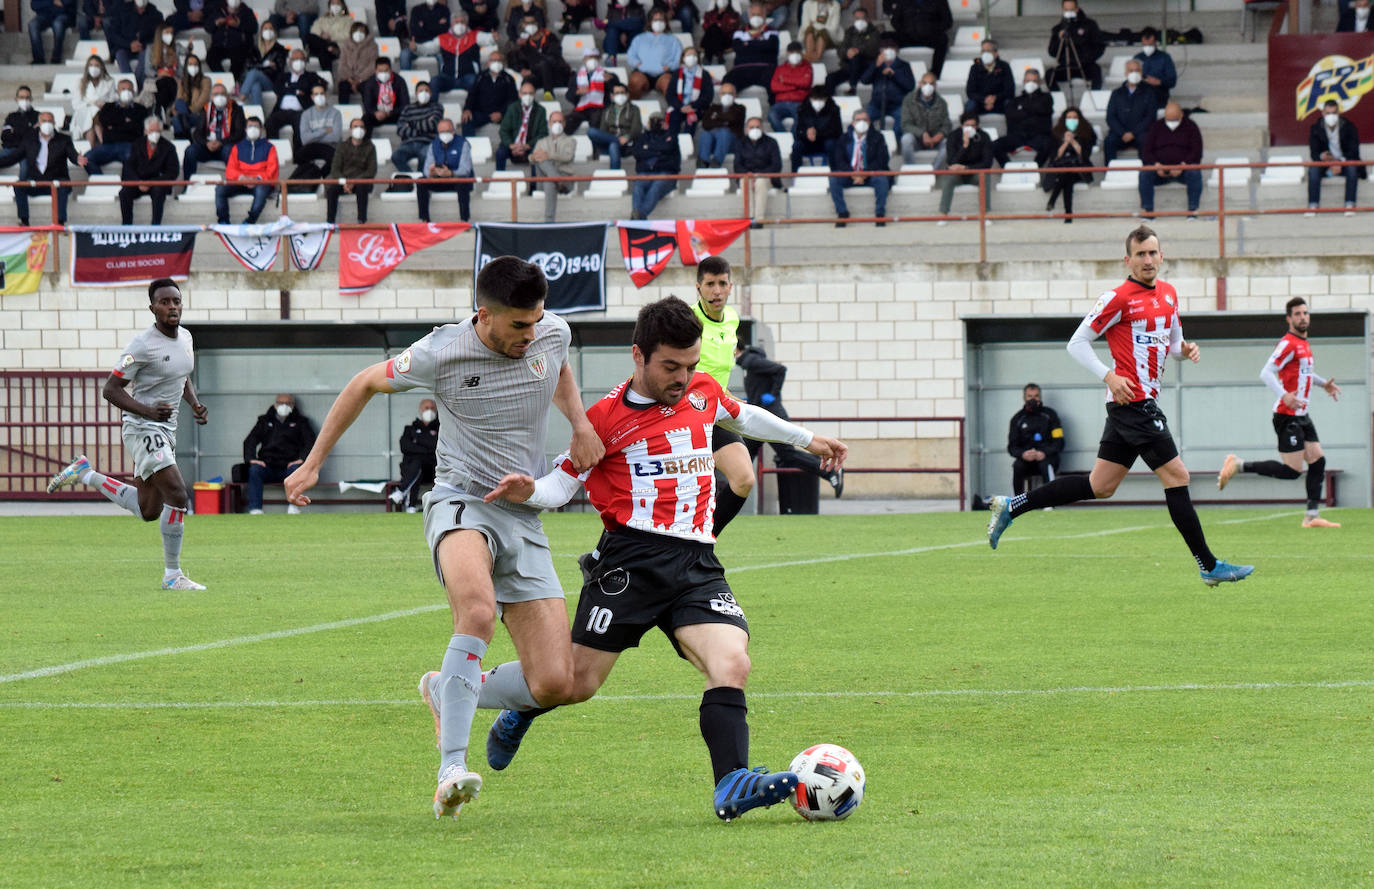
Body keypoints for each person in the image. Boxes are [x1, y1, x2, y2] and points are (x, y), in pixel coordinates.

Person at [474, 295, 848, 821]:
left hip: (695, 564)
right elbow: (561, 485)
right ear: (638, 356)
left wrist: (807, 441)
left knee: (732, 662)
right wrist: (528, 490)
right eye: (670, 366)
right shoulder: (604, 419)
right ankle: (499, 698)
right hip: (629, 564)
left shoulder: (701, 391)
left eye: (690, 364)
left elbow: (744, 417)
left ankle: (731, 783)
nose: (683, 376)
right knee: (571, 684)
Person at [284, 255, 604, 821]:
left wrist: (579, 422)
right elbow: (363, 383)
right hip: (460, 501)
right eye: (517, 327)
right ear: (483, 315)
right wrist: (312, 464)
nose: (530, 337)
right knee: (477, 612)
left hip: (523, 513)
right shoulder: (441, 350)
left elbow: (559, 369)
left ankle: (449, 687)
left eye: (536, 323)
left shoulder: (552, 332)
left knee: (556, 681)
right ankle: (451, 768)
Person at [985, 225, 1255, 587]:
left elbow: (1174, 344)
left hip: (1135, 406)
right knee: (1177, 476)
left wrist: (1185, 351)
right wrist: (1108, 375)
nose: (1148, 259)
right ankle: (1207, 564)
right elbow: (1077, 343)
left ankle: (1012, 505)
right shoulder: (1117, 298)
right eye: (1140, 254)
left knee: (1100, 485)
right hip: (1134, 405)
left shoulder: (1170, 295)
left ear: (1162, 256)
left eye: (1153, 252)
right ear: (1127, 260)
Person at [46, 279, 209, 591]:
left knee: (149, 510)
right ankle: (173, 575)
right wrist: (147, 412)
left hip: (166, 429)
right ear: (153, 309)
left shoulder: (186, 338)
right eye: (164, 302)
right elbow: (110, 389)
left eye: (176, 301)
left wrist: (195, 403)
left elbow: (181, 375)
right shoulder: (142, 345)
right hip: (142, 427)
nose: (172, 307)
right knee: (177, 494)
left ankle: (86, 473)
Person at [1217, 297, 1343, 528]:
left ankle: (1312, 517)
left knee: (1318, 462)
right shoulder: (1288, 343)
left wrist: (1323, 383)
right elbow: (1266, 372)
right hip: (1287, 415)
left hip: (1302, 415)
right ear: (1289, 318)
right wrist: (1284, 394)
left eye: (1305, 313)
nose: (1302, 317)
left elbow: (1305, 374)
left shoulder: (1304, 344)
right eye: (1297, 314)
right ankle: (1238, 464)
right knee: (1293, 471)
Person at [735, 340, 844, 496]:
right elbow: (761, 383)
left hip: (771, 414)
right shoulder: (748, 363)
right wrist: (753, 398)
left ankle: (830, 471)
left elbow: (780, 369)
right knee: (743, 453)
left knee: (786, 454)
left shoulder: (751, 361)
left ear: (736, 349)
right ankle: (726, 496)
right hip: (760, 416)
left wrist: (772, 395)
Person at [243, 394, 316, 514]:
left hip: (290, 466)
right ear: (275, 404)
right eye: (281, 403)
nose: (284, 406)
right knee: (255, 470)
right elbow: (250, 441)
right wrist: (251, 458)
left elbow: (310, 442)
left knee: (296, 470)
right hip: (268, 465)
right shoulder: (264, 420)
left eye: (288, 403)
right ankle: (255, 509)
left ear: (293, 405)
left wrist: (302, 459)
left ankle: (294, 506)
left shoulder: (301, 422)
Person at [14, 112, 88, 227]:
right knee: (18, 185)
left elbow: (72, 155)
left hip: (56, 182)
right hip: (36, 182)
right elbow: (15, 156)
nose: (47, 124)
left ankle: (59, 222)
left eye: (49, 121)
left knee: (63, 186)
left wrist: (78, 160)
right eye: (44, 121)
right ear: (38, 123)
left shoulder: (64, 139)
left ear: (54, 123)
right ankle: (24, 221)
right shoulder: (29, 139)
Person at [1137, 102, 1202, 220]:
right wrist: (1156, 165)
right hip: (1160, 171)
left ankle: (1192, 211)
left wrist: (1183, 165)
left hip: (1183, 170)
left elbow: (1197, 151)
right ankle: (1148, 211)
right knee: (1145, 173)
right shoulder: (1156, 126)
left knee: (1194, 172)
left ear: (1181, 115)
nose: (1171, 123)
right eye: (1168, 120)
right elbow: (1146, 151)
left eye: (1174, 119)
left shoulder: (1191, 127)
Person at [829, 109, 890, 227]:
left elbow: (881, 160)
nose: (862, 122)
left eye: (865, 120)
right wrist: (852, 174)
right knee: (834, 179)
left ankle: (880, 214)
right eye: (858, 120)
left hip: (870, 174)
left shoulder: (878, 137)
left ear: (870, 122)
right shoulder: (843, 138)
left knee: (882, 179)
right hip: (850, 174)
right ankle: (842, 213)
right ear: (852, 123)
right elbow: (839, 161)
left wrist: (864, 174)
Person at [215, 115, 278, 225]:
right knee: (220, 189)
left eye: (256, 127)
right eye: (250, 126)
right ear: (245, 129)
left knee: (261, 191)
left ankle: (250, 221)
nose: (253, 129)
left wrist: (257, 179)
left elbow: (272, 170)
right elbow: (230, 169)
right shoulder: (237, 147)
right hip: (240, 182)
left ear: (261, 130)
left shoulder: (270, 148)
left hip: (260, 183)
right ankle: (223, 221)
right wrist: (242, 178)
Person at [1305, 100, 1363, 217]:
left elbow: (1354, 151)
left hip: (1344, 161)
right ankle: (1313, 205)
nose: (1331, 116)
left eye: (1334, 113)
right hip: (1325, 164)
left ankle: (1350, 204)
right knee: (1313, 169)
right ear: (1322, 113)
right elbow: (1314, 153)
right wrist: (1323, 157)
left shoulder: (1348, 126)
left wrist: (1340, 162)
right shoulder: (1316, 128)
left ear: (1339, 113)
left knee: (1352, 167)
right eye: (1328, 113)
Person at [119, 116, 179, 224]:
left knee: (158, 191)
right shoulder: (136, 145)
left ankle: (155, 227)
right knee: (124, 192)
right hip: (139, 182)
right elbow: (128, 167)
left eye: (157, 131)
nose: (154, 133)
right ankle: (126, 227)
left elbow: (173, 171)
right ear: (146, 131)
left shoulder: (169, 147)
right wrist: (138, 182)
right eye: (151, 131)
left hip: (157, 183)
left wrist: (152, 182)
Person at [1006, 383, 1063, 495]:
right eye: (1029, 396)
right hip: (1027, 461)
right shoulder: (1017, 419)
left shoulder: (1051, 415)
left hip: (1048, 458)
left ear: (1040, 397)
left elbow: (1059, 443)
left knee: (1045, 464)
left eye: (1036, 396)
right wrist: (1023, 454)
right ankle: (1019, 503)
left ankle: (1050, 502)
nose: (1033, 399)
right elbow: (1012, 447)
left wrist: (1044, 452)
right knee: (1017, 466)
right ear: (1024, 398)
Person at [1041, 106, 1095, 221]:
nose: (1072, 120)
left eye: (1075, 117)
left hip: (1080, 168)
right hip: (1062, 168)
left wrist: (1073, 141)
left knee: (1067, 174)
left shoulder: (1086, 132)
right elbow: (1055, 156)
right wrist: (1065, 142)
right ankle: (1068, 214)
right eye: (1069, 117)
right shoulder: (1056, 133)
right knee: (1067, 176)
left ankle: (1053, 200)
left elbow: (1084, 155)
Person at [936, 111, 993, 220]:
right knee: (949, 177)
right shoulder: (953, 136)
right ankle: (943, 214)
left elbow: (987, 163)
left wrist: (967, 168)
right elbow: (952, 161)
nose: (970, 128)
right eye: (967, 126)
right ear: (962, 125)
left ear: (977, 126)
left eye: (973, 126)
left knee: (985, 177)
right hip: (958, 174)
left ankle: (985, 215)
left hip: (975, 173)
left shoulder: (984, 137)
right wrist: (964, 146)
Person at [85, 78, 148, 174]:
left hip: (130, 145)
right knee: (87, 158)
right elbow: (104, 121)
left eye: (129, 89)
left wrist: (114, 126)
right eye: (123, 89)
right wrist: (126, 123)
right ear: (117, 91)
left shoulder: (141, 109)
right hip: (108, 146)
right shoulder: (108, 107)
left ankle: (126, 187)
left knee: (133, 160)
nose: (126, 92)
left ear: (133, 91)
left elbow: (137, 128)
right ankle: (102, 184)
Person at [992, 69, 1052, 168]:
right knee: (994, 145)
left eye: (1034, 81)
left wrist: (1022, 109)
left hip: (1038, 136)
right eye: (1028, 81)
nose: (1031, 84)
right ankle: (1008, 168)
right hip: (1018, 136)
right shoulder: (1015, 100)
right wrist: (1032, 110)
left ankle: (1035, 168)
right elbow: (1010, 115)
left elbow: (1042, 108)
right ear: (1024, 82)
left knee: (1050, 144)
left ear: (1039, 82)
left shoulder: (1046, 98)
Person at [417, 118, 474, 222]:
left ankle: (464, 220)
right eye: (441, 132)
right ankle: (424, 219)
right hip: (439, 180)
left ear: (453, 131)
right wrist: (431, 173)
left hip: (457, 180)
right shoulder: (433, 145)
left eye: (447, 131)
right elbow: (426, 169)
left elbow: (465, 169)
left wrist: (451, 173)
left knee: (463, 183)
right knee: (421, 181)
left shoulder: (463, 144)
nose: (444, 134)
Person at [183, 84, 245, 177]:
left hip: (226, 145)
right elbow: (198, 132)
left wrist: (220, 142)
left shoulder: (236, 109)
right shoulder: (206, 109)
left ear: (228, 96)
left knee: (229, 151)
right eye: (216, 94)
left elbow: (239, 133)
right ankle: (188, 184)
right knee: (190, 151)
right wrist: (207, 143)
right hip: (207, 147)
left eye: (222, 94)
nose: (219, 97)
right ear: (211, 97)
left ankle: (232, 183)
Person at [1103, 58, 1157, 163]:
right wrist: (1122, 133)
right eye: (1131, 71)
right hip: (1119, 133)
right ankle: (1109, 173)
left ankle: (1145, 174)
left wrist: (1133, 133)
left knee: (1146, 140)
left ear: (1141, 72)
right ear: (1126, 73)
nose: (1134, 73)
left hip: (1140, 133)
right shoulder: (1117, 93)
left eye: (1137, 70)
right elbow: (1111, 117)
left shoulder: (1149, 92)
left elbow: (1150, 117)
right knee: (1109, 141)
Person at [629, 112, 680, 219]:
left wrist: (648, 148)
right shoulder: (642, 137)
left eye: (658, 121)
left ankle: (639, 215)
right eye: (653, 121)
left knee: (656, 187)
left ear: (664, 123)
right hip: (646, 172)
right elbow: (638, 153)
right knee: (638, 186)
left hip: (666, 173)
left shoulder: (671, 136)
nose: (655, 124)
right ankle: (637, 213)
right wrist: (659, 151)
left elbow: (668, 149)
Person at [325, 118, 377, 223]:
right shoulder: (342, 146)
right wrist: (345, 182)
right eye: (356, 127)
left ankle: (361, 221)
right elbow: (335, 169)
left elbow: (371, 171)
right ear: (350, 130)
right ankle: (330, 223)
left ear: (365, 131)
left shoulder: (370, 147)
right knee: (331, 190)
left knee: (362, 188)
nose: (359, 129)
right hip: (344, 181)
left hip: (361, 181)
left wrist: (354, 181)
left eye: (362, 127)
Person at [862, 38, 915, 141]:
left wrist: (894, 75)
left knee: (901, 124)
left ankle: (896, 145)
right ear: (880, 51)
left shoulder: (904, 66)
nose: (888, 50)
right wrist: (875, 65)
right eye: (885, 48)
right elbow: (864, 80)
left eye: (892, 48)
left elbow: (910, 86)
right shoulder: (876, 64)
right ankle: (870, 143)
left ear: (897, 50)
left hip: (897, 105)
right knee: (862, 121)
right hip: (876, 104)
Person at [266, 50, 326, 140]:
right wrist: (296, 91)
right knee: (270, 122)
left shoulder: (311, 76)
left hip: (301, 112)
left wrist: (289, 87)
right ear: (290, 61)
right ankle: (275, 150)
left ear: (305, 61)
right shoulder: (284, 76)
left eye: (301, 59)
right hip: (282, 111)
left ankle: (298, 153)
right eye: (296, 59)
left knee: (300, 124)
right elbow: (277, 89)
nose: (299, 62)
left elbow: (321, 85)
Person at [394, 399, 439, 512]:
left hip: (433, 470)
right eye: (426, 408)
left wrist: (417, 441)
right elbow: (405, 447)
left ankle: (401, 492)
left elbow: (436, 445)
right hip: (412, 469)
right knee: (417, 466)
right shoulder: (410, 429)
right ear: (420, 410)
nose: (429, 411)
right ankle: (411, 506)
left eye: (432, 408)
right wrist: (427, 447)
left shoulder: (441, 429)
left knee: (418, 462)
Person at [1046, 0, 1103, 90]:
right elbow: (1052, 52)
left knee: (1096, 71)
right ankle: (1059, 100)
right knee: (1050, 74)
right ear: (1062, 10)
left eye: (1071, 9)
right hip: (1066, 65)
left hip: (1085, 64)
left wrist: (1087, 57)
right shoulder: (1058, 28)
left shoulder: (1090, 25)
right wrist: (1059, 39)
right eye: (1066, 10)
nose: (1069, 12)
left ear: (1077, 9)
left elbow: (1099, 46)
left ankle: (1094, 97)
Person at [507, 12, 569, 94]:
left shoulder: (550, 37)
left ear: (538, 23)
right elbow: (514, 61)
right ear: (523, 25)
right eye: (527, 23)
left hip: (555, 75)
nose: (530, 25)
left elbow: (553, 59)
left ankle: (548, 93)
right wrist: (522, 69)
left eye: (532, 22)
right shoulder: (523, 42)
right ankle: (523, 102)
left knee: (544, 65)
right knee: (527, 81)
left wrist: (532, 70)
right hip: (538, 77)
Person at [886, 0, 951, 78]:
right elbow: (895, 21)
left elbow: (947, 21)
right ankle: (891, 71)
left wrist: (932, 30)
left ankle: (935, 73)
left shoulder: (939, 1)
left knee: (942, 39)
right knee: (886, 37)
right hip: (908, 36)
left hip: (930, 36)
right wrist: (906, 30)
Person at [735, 117, 782, 225]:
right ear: (746, 129)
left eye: (757, 127)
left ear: (762, 128)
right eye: (751, 127)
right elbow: (737, 165)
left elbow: (776, 165)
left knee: (760, 182)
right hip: (747, 177)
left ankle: (759, 220)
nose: (754, 129)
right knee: (744, 181)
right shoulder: (740, 143)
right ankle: (750, 219)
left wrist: (759, 175)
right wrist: (749, 175)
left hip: (767, 178)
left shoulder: (771, 142)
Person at [625, 8, 680, 98]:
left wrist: (670, 66)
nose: (658, 22)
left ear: (666, 22)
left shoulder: (674, 40)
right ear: (650, 22)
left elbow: (679, 58)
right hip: (642, 72)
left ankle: (672, 110)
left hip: (664, 73)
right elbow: (631, 55)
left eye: (661, 20)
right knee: (635, 82)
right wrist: (637, 64)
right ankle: (631, 110)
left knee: (669, 85)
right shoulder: (639, 38)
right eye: (655, 20)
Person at [723, 5, 778, 95]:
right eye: (753, 14)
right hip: (742, 69)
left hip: (765, 69)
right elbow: (738, 49)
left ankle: (774, 108)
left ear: (764, 16)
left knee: (775, 84)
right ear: (749, 16)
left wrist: (747, 44)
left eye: (759, 14)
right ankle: (730, 108)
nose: (756, 17)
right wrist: (760, 44)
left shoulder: (772, 31)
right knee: (727, 83)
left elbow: (771, 47)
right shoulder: (739, 32)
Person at [529, 110, 574, 221]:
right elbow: (531, 158)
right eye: (554, 121)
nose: (557, 124)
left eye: (560, 121)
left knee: (549, 180)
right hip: (545, 181)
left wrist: (548, 155)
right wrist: (534, 157)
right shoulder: (541, 141)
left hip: (566, 179)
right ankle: (558, 181)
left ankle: (549, 222)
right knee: (540, 160)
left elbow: (567, 157)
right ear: (549, 123)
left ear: (564, 123)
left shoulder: (571, 140)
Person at [462, 51, 518, 137]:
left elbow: (513, 100)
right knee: (467, 119)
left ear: (502, 63)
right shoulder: (480, 77)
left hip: (502, 114)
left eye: (498, 60)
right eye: (493, 60)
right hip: (482, 114)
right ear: (488, 63)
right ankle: (469, 146)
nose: (496, 63)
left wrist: (501, 113)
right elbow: (472, 95)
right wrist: (467, 109)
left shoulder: (508, 79)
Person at [824, 7, 878, 96]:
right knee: (830, 78)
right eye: (857, 19)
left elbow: (873, 48)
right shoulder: (849, 32)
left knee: (856, 57)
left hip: (866, 69)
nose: (860, 21)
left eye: (862, 18)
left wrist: (858, 50)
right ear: (853, 20)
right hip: (849, 68)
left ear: (868, 19)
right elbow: (841, 49)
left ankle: (853, 87)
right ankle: (829, 103)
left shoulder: (874, 32)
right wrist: (847, 52)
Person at [587, 81, 640, 169]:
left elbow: (637, 128)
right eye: (617, 93)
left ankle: (615, 177)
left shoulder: (634, 110)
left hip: (626, 145)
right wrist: (615, 139)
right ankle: (615, 140)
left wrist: (627, 137)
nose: (620, 95)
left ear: (627, 95)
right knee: (591, 131)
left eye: (622, 93)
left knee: (613, 145)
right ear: (612, 96)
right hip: (607, 145)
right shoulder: (607, 111)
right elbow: (603, 131)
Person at [393, 80, 443, 173]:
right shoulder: (408, 108)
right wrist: (423, 127)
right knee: (396, 156)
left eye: (426, 91)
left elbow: (432, 125)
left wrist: (411, 124)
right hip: (408, 144)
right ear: (416, 94)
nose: (424, 93)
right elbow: (400, 129)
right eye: (421, 91)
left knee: (425, 156)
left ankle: (421, 182)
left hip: (427, 143)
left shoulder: (437, 107)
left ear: (431, 93)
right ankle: (413, 178)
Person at [495, 80, 546, 169]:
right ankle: (500, 180)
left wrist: (527, 146)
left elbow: (543, 133)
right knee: (500, 152)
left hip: (530, 145)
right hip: (513, 145)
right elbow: (503, 130)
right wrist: (511, 145)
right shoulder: (512, 108)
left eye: (530, 93)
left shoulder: (541, 110)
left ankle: (533, 182)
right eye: (525, 93)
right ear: (519, 94)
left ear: (534, 95)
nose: (528, 96)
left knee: (537, 153)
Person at [109, 0, 164, 81]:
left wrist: (142, 45)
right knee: (120, 54)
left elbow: (157, 35)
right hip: (125, 47)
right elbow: (114, 34)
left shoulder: (155, 13)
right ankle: (129, 82)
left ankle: (137, 83)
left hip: (144, 48)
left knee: (146, 55)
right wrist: (129, 44)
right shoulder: (122, 10)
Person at [564, 47, 614, 136]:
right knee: (567, 122)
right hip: (581, 108)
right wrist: (577, 92)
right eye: (590, 57)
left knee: (597, 121)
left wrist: (610, 82)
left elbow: (616, 90)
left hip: (600, 108)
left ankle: (596, 148)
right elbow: (568, 96)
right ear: (584, 59)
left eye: (595, 57)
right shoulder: (576, 76)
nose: (593, 60)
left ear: (599, 59)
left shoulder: (607, 75)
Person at [435, 13, 488, 94]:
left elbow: (488, 39)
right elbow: (428, 47)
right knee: (434, 82)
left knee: (476, 82)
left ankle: (473, 107)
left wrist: (493, 38)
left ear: (467, 24)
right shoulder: (443, 38)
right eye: (456, 22)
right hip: (447, 77)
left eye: (462, 22)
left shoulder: (475, 36)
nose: (459, 25)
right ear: (451, 24)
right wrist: (416, 48)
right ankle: (433, 106)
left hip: (468, 77)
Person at [238, 21, 290, 106]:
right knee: (255, 86)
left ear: (274, 32)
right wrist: (265, 66)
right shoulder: (254, 49)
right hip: (256, 79)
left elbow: (279, 69)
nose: (268, 31)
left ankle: (241, 98)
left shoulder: (280, 49)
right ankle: (257, 113)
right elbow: (248, 65)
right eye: (265, 29)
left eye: (270, 29)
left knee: (254, 72)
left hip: (271, 82)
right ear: (261, 31)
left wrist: (259, 67)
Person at [667, 47, 715, 136]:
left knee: (691, 120)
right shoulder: (677, 74)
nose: (691, 57)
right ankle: (672, 146)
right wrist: (681, 106)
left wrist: (692, 106)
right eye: (689, 55)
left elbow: (708, 96)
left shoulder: (704, 75)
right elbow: (670, 95)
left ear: (698, 58)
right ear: (683, 58)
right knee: (674, 118)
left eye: (694, 55)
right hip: (680, 107)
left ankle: (687, 147)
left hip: (697, 108)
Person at [207, 0, 258, 80]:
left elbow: (254, 28)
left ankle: (233, 81)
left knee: (239, 60)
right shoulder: (218, 9)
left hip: (238, 46)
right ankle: (224, 79)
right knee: (211, 58)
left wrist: (239, 24)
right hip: (219, 45)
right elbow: (208, 27)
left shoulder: (246, 11)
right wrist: (216, 23)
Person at [767, 42, 812, 133]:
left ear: (801, 53)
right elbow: (774, 87)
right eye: (792, 52)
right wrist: (796, 86)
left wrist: (785, 80)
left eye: (797, 52)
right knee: (771, 114)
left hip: (799, 103)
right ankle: (784, 136)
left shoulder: (807, 67)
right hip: (780, 103)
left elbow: (806, 83)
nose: (794, 55)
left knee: (801, 117)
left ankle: (792, 138)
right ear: (787, 54)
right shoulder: (780, 68)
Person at [72, 56, 118, 143]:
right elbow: (76, 103)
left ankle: (92, 148)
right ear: (87, 67)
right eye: (91, 65)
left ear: (101, 67)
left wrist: (102, 104)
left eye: (96, 65)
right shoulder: (80, 82)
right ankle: (102, 141)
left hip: (104, 110)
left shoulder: (109, 81)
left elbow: (112, 100)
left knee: (95, 115)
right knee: (92, 112)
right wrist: (92, 104)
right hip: (84, 111)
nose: (93, 68)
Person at [792, 86, 841, 167]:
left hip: (825, 142)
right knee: (797, 145)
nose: (818, 102)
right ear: (810, 99)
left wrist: (817, 133)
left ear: (826, 99)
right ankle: (795, 175)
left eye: (821, 99)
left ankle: (835, 172)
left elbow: (837, 131)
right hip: (807, 142)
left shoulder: (834, 110)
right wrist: (806, 133)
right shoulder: (802, 109)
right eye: (815, 99)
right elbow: (798, 130)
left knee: (831, 144)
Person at [697, 83, 745, 167]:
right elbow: (706, 124)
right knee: (705, 134)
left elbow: (732, 118)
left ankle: (716, 162)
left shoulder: (740, 108)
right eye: (724, 93)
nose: (727, 96)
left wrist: (716, 117)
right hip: (713, 142)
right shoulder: (713, 108)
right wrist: (724, 122)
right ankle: (703, 162)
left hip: (732, 143)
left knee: (724, 132)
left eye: (730, 93)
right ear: (720, 95)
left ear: (735, 95)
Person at [361, 56, 411, 133]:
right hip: (377, 115)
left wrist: (390, 113)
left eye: (386, 70)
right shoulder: (370, 83)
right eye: (380, 71)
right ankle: (367, 143)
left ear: (391, 69)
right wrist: (375, 113)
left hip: (394, 114)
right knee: (365, 119)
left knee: (408, 117)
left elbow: (405, 104)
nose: (383, 73)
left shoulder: (400, 81)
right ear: (375, 71)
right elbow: (368, 105)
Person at [965, 39, 1013, 116]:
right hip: (980, 103)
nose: (985, 54)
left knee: (1010, 104)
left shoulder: (1004, 66)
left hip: (1000, 102)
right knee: (970, 105)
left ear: (996, 53)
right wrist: (984, 99)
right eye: (983, 51)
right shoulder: (974, 68)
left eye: (988, 51)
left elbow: (1009, 90)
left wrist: (995, 98)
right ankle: (970, 127)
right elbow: (970, 91)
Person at [335, 20, 379, 103]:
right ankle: (344, 111)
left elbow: (373, 65)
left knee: (368, 87)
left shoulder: (372, 46)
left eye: (361, 31)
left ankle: (369, 113)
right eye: (356, 31)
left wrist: (359, 80)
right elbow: (342, 65)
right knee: (343, 86)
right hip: (348, 79)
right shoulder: (346, 46)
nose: (358, 34)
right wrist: (350, 79)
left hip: (365, 79)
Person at [400, 0, 452, 70]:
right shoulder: (416, 10)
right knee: (404, 54)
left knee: (444, 56)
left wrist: (424, 25)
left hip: (436, 47)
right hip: (418, 45)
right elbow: (415, 31)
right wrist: (437, 24)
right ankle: (406, 79)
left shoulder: (444, 10)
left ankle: (442, 80)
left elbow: (444, 31)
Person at [0, 87, 39, 174]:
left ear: (31, 99)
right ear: (16, 99)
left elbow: (35, 135)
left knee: (25, 170)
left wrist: (15, 130)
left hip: (27, 150)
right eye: (21, 97)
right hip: (11, 148)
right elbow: (4, 136)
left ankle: (21, 188)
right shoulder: (11, 116)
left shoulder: (38, 116)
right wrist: (27, 130)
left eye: (27, 97)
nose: (24, 100)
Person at [1133, 26, 1176, 105]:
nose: (1147, 47)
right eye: (1145, 45)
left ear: (1155, 43)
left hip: (1159, 96)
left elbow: (1172, 81)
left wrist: (1159, 82)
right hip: (1140, 97)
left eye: (1150, 45)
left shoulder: (1164, 58)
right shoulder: (1137, 58)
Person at [30, 0, 76, 65]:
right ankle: (38, 59)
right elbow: (34, 5)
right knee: (32, 24)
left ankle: (56, 58)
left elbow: (68, 4)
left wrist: (45, 4)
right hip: (44, 15)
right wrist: (52, 2)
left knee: (57, 24)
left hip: (63, 15)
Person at [701, 0, 741, 65]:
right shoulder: (709, 14)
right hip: (710, 38)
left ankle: (708, 57)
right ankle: (719, 53)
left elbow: (731, 29)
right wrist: (718, 16)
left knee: (715, 29)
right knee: (713, 28)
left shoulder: (734, 15)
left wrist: (719, 24)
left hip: (725, 40)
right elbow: (706, 27)